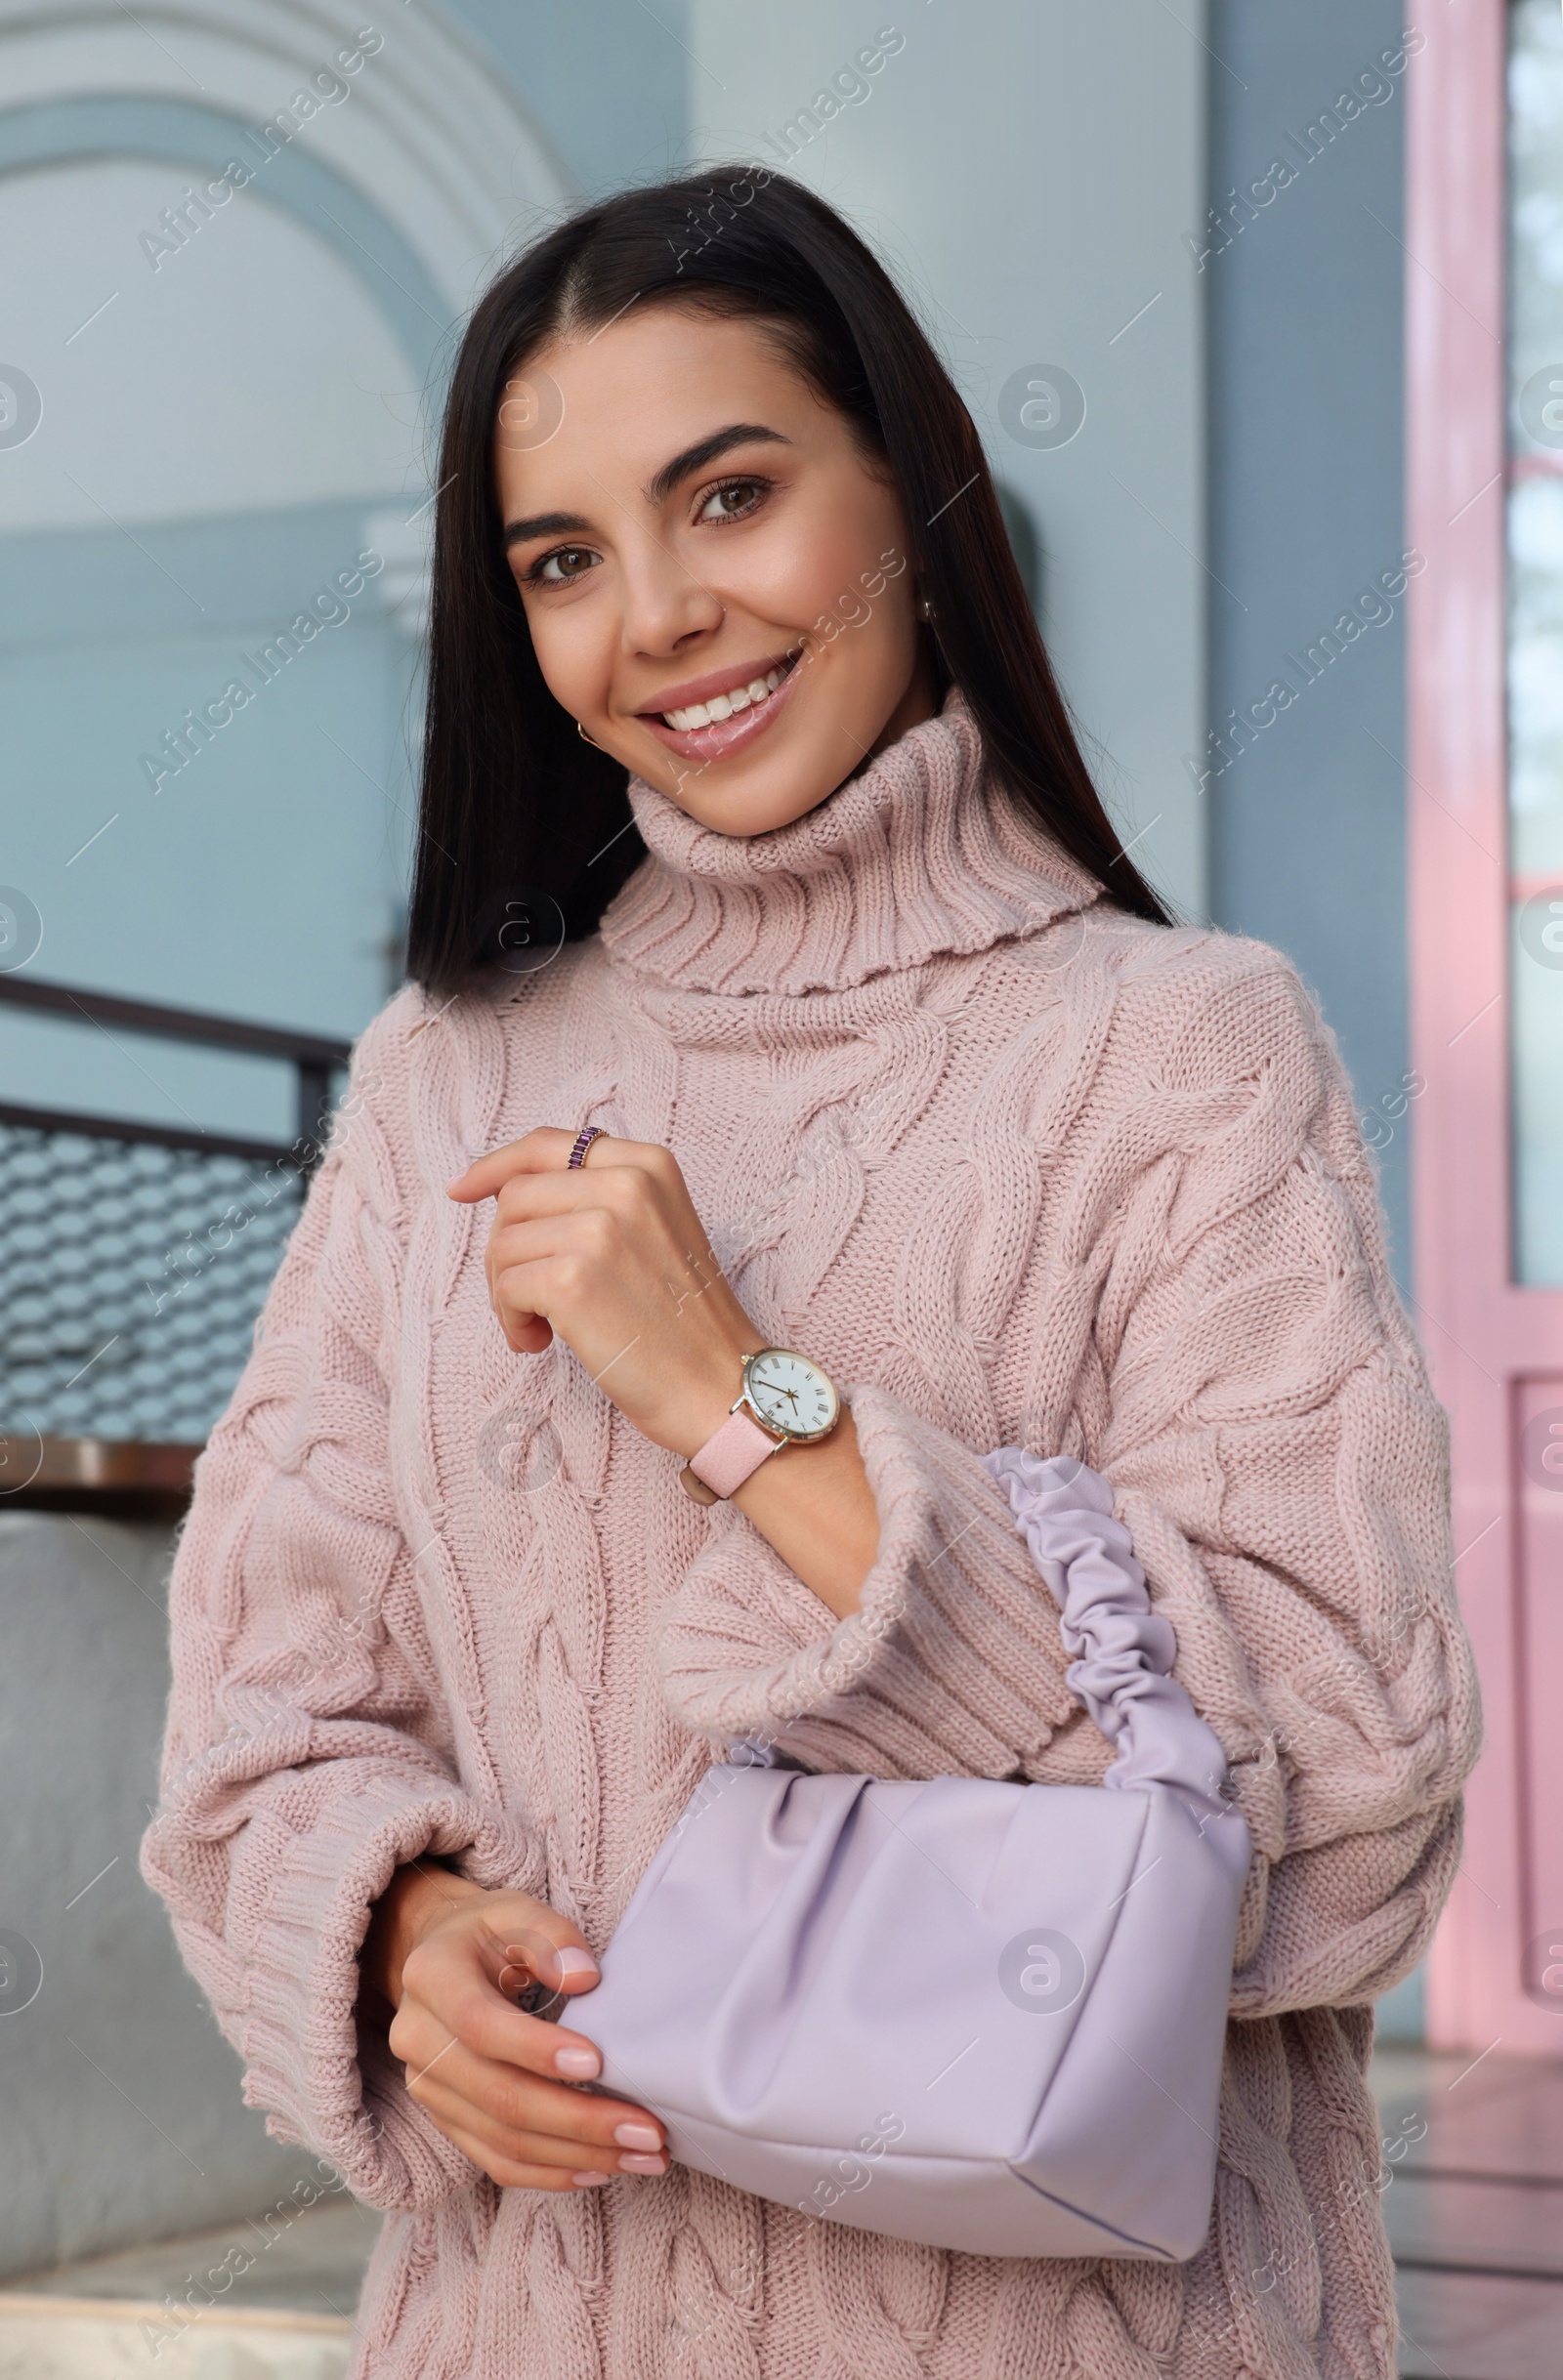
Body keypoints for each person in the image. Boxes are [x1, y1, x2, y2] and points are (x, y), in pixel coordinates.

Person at [143, 169, 1479, 2379]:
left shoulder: (1177, 1050)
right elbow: (256, 1723)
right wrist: (393, 1929)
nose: (654, 613)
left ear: (913, 503)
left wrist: (746, 1403)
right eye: (560, 560)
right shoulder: (433, 1089)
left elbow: (1346, 1799)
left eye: (730, 493)